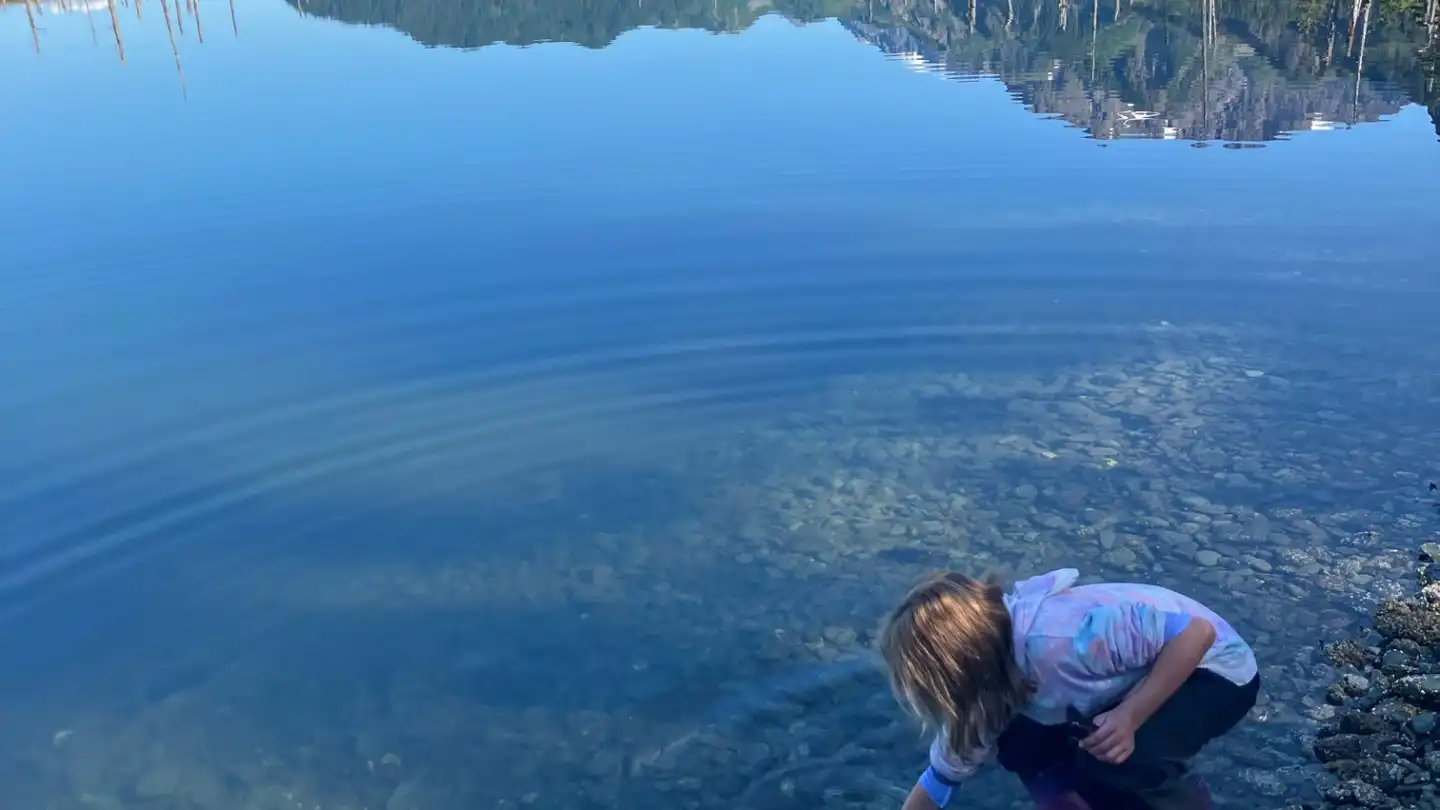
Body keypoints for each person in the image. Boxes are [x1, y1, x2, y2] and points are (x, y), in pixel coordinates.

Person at [877, 568, 1260, 810]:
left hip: (1215, 669)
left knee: (1114, 758)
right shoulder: (993, 679)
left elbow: (1197, 633)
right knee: (1019, 740)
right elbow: (944, 775)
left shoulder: (1067, 637)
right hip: (1122, 680)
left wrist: (1130, 717)